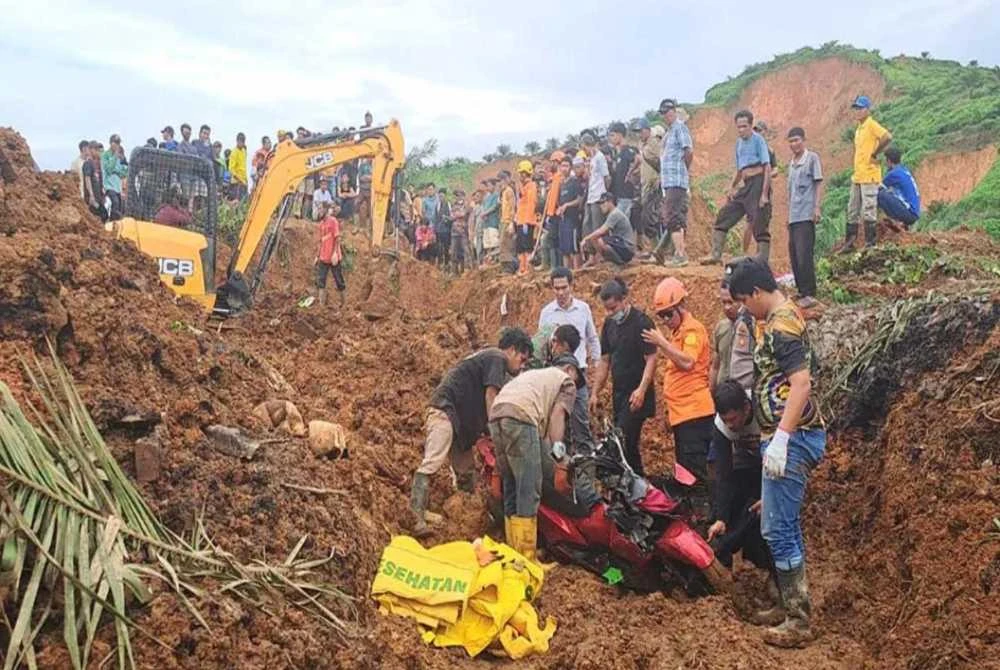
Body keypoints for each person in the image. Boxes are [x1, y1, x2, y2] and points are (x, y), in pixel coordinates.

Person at [725, 257, 826, 648]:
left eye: (744, 301)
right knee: (780, 525)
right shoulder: (781, 318)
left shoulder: (782, 323)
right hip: (786, 434)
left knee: (778, 528)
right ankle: (789, 604)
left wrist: (782, 438)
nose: (745, 310)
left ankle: (799, 620)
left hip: (794, 436)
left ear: (755, 292)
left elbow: (800, 383)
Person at [410, 329, 535, 537]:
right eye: (522, 359)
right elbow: (491, 396)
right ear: (512, 350)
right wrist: (497, 431)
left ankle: (466, 516)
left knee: (467, 472)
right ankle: (415, 515)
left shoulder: (487, 359)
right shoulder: (497, 357)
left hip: (460, 423)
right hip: (445, 411)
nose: (522, 366)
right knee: (432, 461)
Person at [489, 354, 580, 559]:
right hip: (521, 415)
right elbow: (558, 417)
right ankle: (527, 559)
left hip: (497, 413)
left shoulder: (536, 378)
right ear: (569, 369)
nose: (576, 384)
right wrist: (560, 460)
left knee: (512, 483)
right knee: (528, 487)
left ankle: (515, 552)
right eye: (576, 377)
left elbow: (542, 436)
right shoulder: (566, 382)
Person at [641, 277, 715, 498]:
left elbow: (687, 362)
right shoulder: (678, 333)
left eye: (668, 314)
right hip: (682, 414)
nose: (666, 320)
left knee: (695, 473)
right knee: (685, 471)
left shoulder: (693, 330)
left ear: (681, 306)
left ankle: (704, 518)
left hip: (694, 413)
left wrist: (661, 343)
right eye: (661, 316)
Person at [590, 278, 657, 475]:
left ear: (624, 299)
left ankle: (634, 483)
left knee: (623, 438)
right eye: (607, 309)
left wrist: (641, 390)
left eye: (613, 308)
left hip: (637, 394)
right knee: (628, 445)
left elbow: (651, 359)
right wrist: (595, 392)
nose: (610, 313)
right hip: (619, 395)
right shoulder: (609, 325)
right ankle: (637, 485)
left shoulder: (641, 322)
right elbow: (604, 361)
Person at [707, 380, 769, 574]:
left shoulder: (766, 412)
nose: (730, 425)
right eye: (725, 420)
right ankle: (731, 559)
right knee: (735, 505)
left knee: (761, 517)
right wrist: (721, 517)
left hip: (772, 463)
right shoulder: (722, 426)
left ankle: (773, 571)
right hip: (744, 461)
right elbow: (723, 472)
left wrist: (770, 496)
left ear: (746, 407)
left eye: (733, 419)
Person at [538, 267, 601, 454]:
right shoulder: (547, 313)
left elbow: (592, 338)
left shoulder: (583, 309)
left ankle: (585, 469)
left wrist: (597, 363)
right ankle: (562, 470)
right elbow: (542, 344)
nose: (560, 292)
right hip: (555, 377)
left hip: (578, 375)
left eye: (564, 287)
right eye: (556, 288)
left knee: (581, 422)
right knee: (558, 424)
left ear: (572, 285)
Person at [701, 110, 772, 266]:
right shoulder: (739, 144)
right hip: (746, 185)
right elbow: (740, 170)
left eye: (744, 126)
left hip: (759, 184)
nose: (741, 130)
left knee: (759, 219)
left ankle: (762, 259)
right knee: (725, 214)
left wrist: (764, 194)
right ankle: (716, 254)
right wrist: (731, 187)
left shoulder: (759, 140)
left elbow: (767, 167)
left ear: (751, 125)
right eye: (738, 127)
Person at [844, 95, 892, 251]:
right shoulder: (859, 128)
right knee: (852, 208)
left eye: (860, 108)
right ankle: (850, 242)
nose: (857, 111)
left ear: (867, 109)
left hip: (869, 174)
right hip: (858, 174)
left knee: (868, 209)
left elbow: (887, 137)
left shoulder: (871, 125)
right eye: (856, 109)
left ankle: (870, 244)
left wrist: (875, 154)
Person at [785, 127, 825, 308]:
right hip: (794, 215)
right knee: (794, 254)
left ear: (803, 140)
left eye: (796, 140)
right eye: (791, 141)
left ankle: (810, 293)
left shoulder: (812, 159)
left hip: (806, 214)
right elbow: (790, 193)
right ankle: (801, 291)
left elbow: (817, 183)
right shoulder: (791, 164)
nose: (794, 144)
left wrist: (816, 207)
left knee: (804, 254)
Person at [652, 98, 693, 267]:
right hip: (669, 181)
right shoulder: (669, 133)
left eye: (667, 111)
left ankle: (680, 255)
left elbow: (688, 151)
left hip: (677, 179)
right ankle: (675, 252)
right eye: (662, 113)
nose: (665, 115)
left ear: (674, 111)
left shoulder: (679, 128)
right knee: (671, 215)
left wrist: (684, 169)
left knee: (673, 216)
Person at [580, 192, 636, 267]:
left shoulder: (615, 214)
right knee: (596, 238)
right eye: (600, 204)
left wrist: (586, 239)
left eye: (603, 203)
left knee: (597, 239)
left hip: (627, 247)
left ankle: (618, 263)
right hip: (623, 246)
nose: (601, 206)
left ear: (610, 202)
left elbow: (601, 231)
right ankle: (608, 261)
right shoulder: (611, 214)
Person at [710, 279, 742, 392]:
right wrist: (712, 392)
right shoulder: (721, 328)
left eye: (731, 302)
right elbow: (715, 366)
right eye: (724, 303)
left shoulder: (751, 329)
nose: (727, 307)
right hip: (723, 394)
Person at [636, 119, 663, 250]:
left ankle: (658, 249)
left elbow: (660, 161)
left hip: (654, 184)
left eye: (640, 131)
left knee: (649, 217)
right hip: (646, 185)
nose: (639, 134)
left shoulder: (653, 143)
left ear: (647, 130)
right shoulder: (643, 144)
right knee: (648, 218)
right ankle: (655, 249)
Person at [879, 147, 921, 230]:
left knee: (880, 195)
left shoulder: (894, 173)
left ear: (889, 161)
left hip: (909, 213)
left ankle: (896, 221)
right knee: (888, 193)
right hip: (914, 212)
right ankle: (901, 223)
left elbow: (879, 186)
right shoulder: (904, 170)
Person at [553, 156, 584, 269]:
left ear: (570, 167)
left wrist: (567, 205)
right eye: (562, 166)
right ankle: (567, 272)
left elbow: (579, 200)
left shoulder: (574, 182)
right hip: (563, 219)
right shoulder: (561, 184)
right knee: (565, 249)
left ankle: (577, 271)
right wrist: (559, 207)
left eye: (566, 166)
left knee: (574, 248)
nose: (563, 168)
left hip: (573, 218)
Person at [315, 200, 346, 307]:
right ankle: (321, 305)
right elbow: (320, 241)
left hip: (333, 258)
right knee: (321, 280)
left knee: (339, 280)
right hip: (323, 258)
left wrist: (335, 253)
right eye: (318, 209)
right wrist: (317, 256)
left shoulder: (333, 221)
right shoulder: (321, 224)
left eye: (320, 209)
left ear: (325, 209)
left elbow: (337, 238)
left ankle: (344, 304)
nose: (319, 211)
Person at [581, 134, 610, 245]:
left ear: (589, 145)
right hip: (590, 196)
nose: (584, 151)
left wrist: (604, 193)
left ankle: (600, 254)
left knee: (597, 225)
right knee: (587, 225)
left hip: (598, 196)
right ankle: (592, 253)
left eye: (584, 148)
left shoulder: (599, 157)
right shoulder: (592, 159)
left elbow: (606, 177)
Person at [608, 122, 639, 219]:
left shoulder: (628, 151)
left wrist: (631, 173)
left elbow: (639, 160)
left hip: (626, 195)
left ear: (620, 135)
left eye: (612, 135)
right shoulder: (618, 154)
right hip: (618, 195)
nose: (610, 138)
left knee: (621, 224)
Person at [515, 161, 539, 275]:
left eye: (521, 173)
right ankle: (522, 267)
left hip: (527, 221)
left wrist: (527, 221)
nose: (520, 176)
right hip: (520, 220)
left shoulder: (532, 186)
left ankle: (528, 267)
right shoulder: (522, 187)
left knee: (527, 245)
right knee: (520, 246)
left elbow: (531, 204)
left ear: (526, 173)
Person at [101, 135, 128, 221]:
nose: (117, 145)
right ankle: (111, 223)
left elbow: (122, 173)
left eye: (118, 143)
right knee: (114, 203)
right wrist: (115, 156)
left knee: (120, 206)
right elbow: (109, 169)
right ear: (111, 143)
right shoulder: (105, 155)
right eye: (116, 142)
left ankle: (116, 223)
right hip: (108, 186)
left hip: (117, 187)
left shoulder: (119, 158)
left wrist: (117, 171)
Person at [82, 142, 107, 221]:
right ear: (92, 150)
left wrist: (103, 195)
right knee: (96, 217)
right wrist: (91, 195)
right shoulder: (88, 164)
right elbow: (87, 179)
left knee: (104, 216)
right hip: (92, 198)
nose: (99, 153)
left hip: (99, 198)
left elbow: (100, 181)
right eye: (98, 151)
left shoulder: (98, 165)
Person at [499, 171, 517, 272]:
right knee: (503, 244)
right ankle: (505, 267)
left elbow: (512, 207)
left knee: (507, 244)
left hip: (508, 221)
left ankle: (509, 268)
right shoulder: (504, 192)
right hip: (503, 220)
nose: (500, 183)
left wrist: (511, 223)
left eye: (501, 180)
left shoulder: (509, 191)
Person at [450, 189, 471, 273]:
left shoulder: (466, 205)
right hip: (454, 231)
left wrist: (457, 215)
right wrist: (458, 215)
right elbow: (452, 216)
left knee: (465, 251)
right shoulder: (453, 205)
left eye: (459, 195)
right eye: (456, 195)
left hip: (463, 231)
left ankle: (466, 270)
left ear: (463, 196)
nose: (458, 197)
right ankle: (454, 271)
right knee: (454, 251)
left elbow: (464, 214)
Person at [481, 178, 501, 263]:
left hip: (493, 222)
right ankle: (489, 259)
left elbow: (494, 207)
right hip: (486, 223)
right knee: (487, 244)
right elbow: (483, 207)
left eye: (489, 185)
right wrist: (483, 214)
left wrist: (485, 213)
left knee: (494, 243)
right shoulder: (486, 197)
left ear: (494, 186)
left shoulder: (496, 196)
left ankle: (495, 260)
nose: (487, 188)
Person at [229, 132, 248, 200]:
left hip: (244, 182)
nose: (241, 143)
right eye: (240, 141)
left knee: (243, 203)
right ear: (237, 141)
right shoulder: (234, 152)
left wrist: (245, 180)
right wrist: (239, 179)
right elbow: (231, 169)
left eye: (243, 141)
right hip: (236, 183)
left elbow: (244, 167)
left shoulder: (244, 151)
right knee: (236, 203)